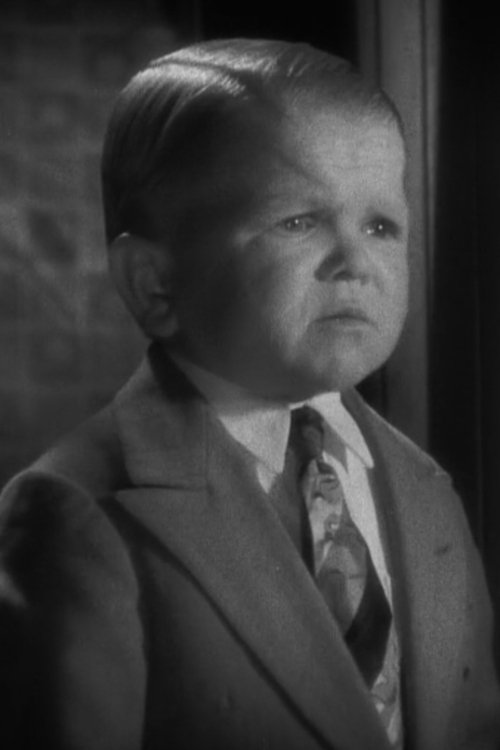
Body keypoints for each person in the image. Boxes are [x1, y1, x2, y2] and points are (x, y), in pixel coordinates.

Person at [0, 38, 498, 750]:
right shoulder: (79, 515)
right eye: (298, 222)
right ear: (153, 283)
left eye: (381, 225)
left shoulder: (426, 490)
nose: (356, 261)